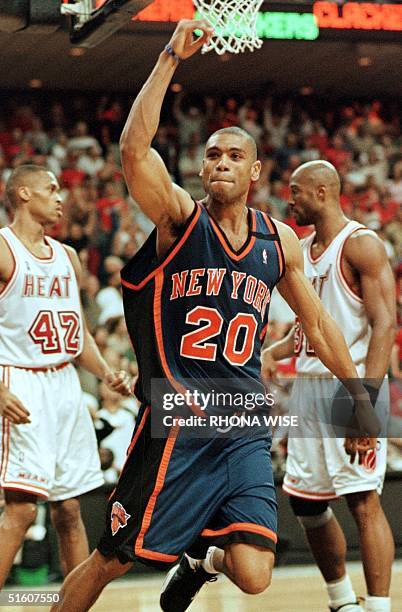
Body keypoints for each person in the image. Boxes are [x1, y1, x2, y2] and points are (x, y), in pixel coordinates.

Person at [52, 20, 379, 612]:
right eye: (212, 155)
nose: (221, 162)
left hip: (245, 420)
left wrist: (358, 396)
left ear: (255, 172)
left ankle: (201, 560)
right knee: (112, 558)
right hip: (179, 415)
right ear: (201, 171)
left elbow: (321, 325)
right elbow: (132, 151)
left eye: (235, 156)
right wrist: (170, 57)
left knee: (255, 574)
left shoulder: (280, 242)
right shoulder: (180, 218)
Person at [262, 160, 396, 612]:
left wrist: (366, 404)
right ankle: (342, 601)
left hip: (351, 383)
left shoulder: (361, 245)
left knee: (362, 499)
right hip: (308, 385)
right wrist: (272, 353)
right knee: (306, 503)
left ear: (321, 193)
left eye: (296, 192)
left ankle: (378, 606)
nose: (290, 199)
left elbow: (384, 326)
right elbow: (308, 324)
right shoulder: (300, 248)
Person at [0, 164, 131, 589]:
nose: (61, 198)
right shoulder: (3, 250)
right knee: (20, 510)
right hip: (20, 381)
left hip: (64, 385)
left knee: (69, 510)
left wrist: (107, 372)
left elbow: (78, 335)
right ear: (22, 194)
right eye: (51, 189)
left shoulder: (67, 256)